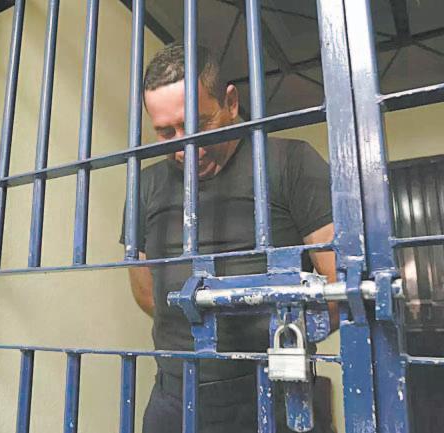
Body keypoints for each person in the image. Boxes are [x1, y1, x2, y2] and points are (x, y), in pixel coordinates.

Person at [120, 42, 337, 433]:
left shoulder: (290, 163)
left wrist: (266, 337)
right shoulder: (145, 185)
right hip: (174, 396)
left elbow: (339, 286)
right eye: (166, 132)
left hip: (277, 392)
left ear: (231, 103)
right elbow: (145, 291)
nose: (184, 147)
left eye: (198, 124)